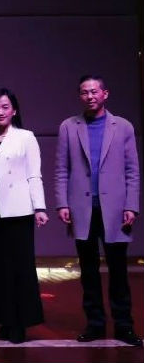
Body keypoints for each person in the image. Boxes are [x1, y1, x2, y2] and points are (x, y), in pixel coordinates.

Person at [54, 75, 142, 346]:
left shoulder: (123, 126)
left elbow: (132, 170)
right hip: (83, 209)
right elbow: (61, 169)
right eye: (84, 92)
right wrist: (62, 203)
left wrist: (131, 205)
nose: (90, 96)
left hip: (115, 210)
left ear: (105, 94)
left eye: (94, 91)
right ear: (79, 96)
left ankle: (124, 326)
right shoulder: (68, 126)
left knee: (118, 272)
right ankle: (95, 324)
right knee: (89, 271)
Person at [0, 88, 47, 344]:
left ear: (14, 110)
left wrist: (40, 207)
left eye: (5, 107)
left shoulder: (25, 137)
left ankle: (20, 322)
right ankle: (5, 320)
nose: (0, 111)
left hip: (18, 212)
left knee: (20, 268)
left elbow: (34, 174)